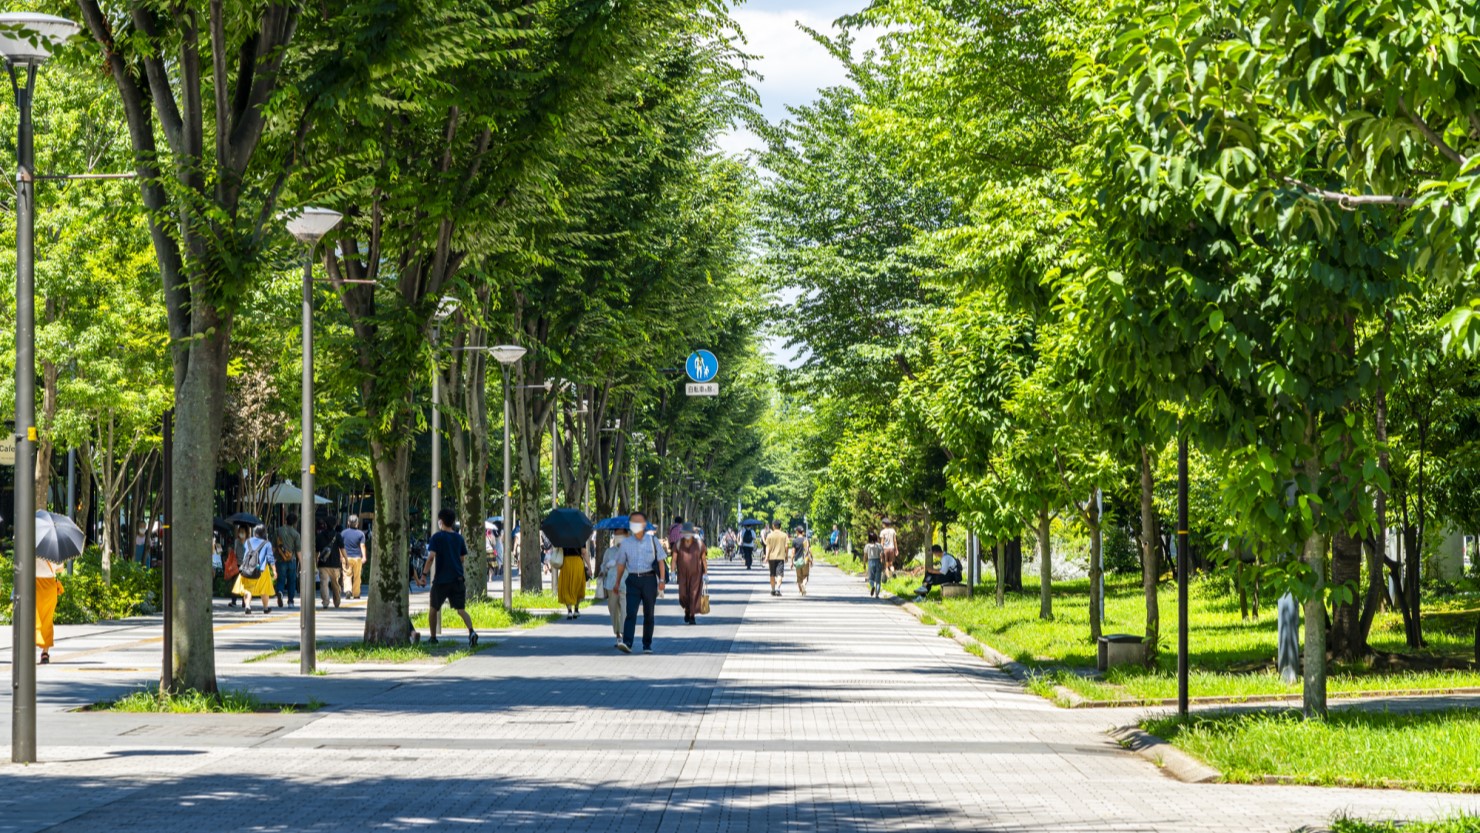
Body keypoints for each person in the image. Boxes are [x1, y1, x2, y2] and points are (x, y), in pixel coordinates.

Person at [613, 510, 668, 654]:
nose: (635, 525)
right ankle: (627, 642)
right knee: (630, 612)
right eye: (633, 522)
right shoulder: (626, 543)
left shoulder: (652, 540)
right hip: (632, 580)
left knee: (649, 613)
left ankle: (647, 644)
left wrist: (662, 580)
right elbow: (621, 564)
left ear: (644, 524)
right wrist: (617, 582)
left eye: (638, 522)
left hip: (649, 580)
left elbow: (661, 561)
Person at [422, 508, 478, 646]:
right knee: (461, 610)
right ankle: (471, 631)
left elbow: (431, 558)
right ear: (453, 522)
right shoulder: (459, 538)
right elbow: (462, 559)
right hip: (457, 579)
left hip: (441, 580)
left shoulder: (437, 537)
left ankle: (433, 638)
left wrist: (424, 575)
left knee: (433, 609)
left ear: (441, 521)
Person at [233, 525, 277, 614]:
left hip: (247, 568)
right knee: (264, 589)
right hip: (261, 570)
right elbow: (270, 558)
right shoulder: (267, 543)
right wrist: (274, 571)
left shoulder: (248, 541)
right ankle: (265, 608)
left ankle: (247, 606)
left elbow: (245, 554)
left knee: (248, 588)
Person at [600, 528, 629, 647]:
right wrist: (606, 567)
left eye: (621, 534)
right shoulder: (609, 551)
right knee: (613, 610)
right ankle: (617, 634)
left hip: (625, 584)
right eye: (616, 534)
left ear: (626, 535)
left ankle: (624, 633)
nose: (618, 536)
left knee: (625, 610)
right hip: (611, 585)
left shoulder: (630, 550)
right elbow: (603, 566)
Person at [674, 523, 707, 624]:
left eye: (689, 532)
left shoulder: (699, 544)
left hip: (696, 574)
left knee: (694, 594)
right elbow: (674, 559)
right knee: (683, 595)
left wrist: (705, 574)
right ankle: (687, 610)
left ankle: (692, 616)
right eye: (685, 532)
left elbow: (703, 559)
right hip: (682, 574)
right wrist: (672, 572)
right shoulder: (678, 543)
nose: (687, 534)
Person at [36, 557, 63, 665]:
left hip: (33, 586)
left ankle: (27, 651)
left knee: (32, 619)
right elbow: (61, 568)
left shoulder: (31, 550)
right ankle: (45, 653)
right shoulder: (54, 553)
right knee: (47, 620)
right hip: (50, 586)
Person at [274, 513, 301, 609]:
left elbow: (274, 547)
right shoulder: (296, 534)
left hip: (280, 560)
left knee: (280, 579)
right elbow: (298, 551)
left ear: (285, 520)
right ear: (294, 523)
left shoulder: (278, 531)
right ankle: (290, 601)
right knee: (291, 581)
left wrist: (272, 559)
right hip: (291, 560)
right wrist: (302, 563)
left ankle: (280, 592)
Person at [558, 544, 590, 620]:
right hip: (577, 563)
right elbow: (584, 552)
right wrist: (589, 566)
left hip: (566, 563)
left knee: (566, 587)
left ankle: (569, 611)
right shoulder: (580, 538)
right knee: (578, 586)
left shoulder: (562, 539)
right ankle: (576, 609)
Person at [340, 515, 367, 600]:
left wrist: (341, 556)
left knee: (347, 575)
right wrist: (364, 556)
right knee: (357, 576)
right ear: (357, 523)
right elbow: (362, 546)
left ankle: (348, 590)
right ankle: (356, 593)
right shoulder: (361, 534)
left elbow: (341, 547)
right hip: (357, 558)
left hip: (346, 557)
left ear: (348, 523)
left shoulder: (343, 533)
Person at [317, 524, 343, 609]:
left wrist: (315, 561)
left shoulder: (320, 536)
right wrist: (346, 559)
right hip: (335, 564)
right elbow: (342, 549)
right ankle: (337, 601)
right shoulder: (338, 535)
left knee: (324, 583)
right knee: (335, 583)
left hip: (323, 564)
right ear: (334, 525)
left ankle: (325, 602)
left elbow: (316, 551)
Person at [764, 521, 790, 597]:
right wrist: (786, 555)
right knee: (780, 574)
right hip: (780, 557)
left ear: (773, 526)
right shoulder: (784, 535)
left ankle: (773, 590)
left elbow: (767, 547)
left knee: (772, 574)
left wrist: (766, 557)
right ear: (780, 526)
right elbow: (786, 546)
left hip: (771, 557)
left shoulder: (769, 535)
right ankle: (778, 589)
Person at [791, 526, 813, 596]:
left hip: (797, 561)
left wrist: (791, 562)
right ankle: (803, 584)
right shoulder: (806, 540)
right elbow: (809, 550)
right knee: (805, 576)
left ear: (797, 532)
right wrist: (811, 560)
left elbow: (793, 552)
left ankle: (800, 591)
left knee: (799, 577)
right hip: (805, 560)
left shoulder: (795, 541)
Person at [863, 531, 885, 597]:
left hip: (870, 561)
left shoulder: (867, 546)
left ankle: (872, 586)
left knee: (871, 578)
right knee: (878, 579)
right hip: (878, 561)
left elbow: (865, 556)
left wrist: (864, 563)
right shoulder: (879, 546)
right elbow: (882, 555)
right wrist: (883, 563)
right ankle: (877, 594)